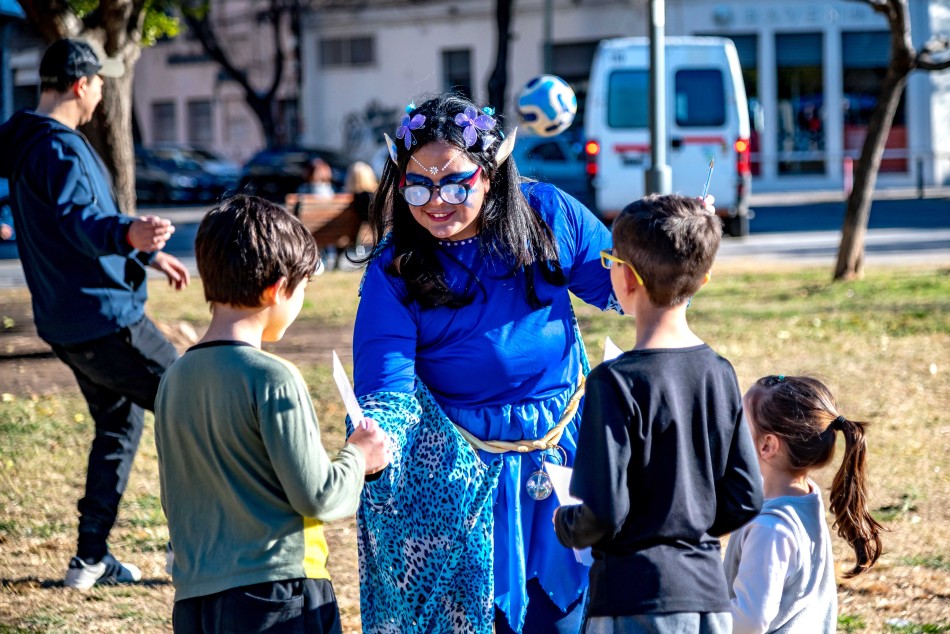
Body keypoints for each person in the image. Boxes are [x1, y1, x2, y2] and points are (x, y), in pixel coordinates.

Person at [351, 93, 619, 633]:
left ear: (491, 174)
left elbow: (628, 286)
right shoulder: (395, 267)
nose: (435, 202)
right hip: (457, 476)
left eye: (455, 183)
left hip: (562, 460)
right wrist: (378, 439)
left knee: (567, 618)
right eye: (417, 184)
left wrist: (672, 251)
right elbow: (388, 382)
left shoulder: (547, 215)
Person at [0, 37, 190, 589]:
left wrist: (142, 251)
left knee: (119, 423)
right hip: (108, 321)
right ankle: (191, 551)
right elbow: (80, 222)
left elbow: (77, 221)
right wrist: (129, 232)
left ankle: (90, 559)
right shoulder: (59, 149)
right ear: (82, 84)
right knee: (190, 405)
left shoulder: (22, 140)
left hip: (66, 324)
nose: (105, 92)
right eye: (101, 82)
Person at [154, 195, 389, 633]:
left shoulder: (175, 377)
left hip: (195, 601)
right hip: (278, 596)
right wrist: (361, 457)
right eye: (301, 289)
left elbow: (175, 501)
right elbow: (318, 496)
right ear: (278, 288)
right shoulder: (274, 377)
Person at [554, 193, 764, 634]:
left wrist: (566, 524)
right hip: (707, 595)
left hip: (631, 600)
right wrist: (691, 526)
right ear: (702, 281)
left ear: (625, 279)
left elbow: (603, 513)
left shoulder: (614, 383)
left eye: (609, 258)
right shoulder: (719, 372)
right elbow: (746, 496)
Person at [723, 375, 884, 633]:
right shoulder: (805, 498)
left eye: (739, 423)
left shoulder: (770, 529)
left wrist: (697, 612)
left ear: (767, 445)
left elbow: (749, 621)